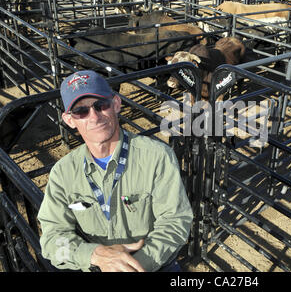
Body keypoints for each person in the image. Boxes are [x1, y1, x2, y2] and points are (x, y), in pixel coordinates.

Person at [37, 70, 194, 272]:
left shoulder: (157, 157)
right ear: (69, 120)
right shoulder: (63, 173)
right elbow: (52, 239)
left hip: (152, 264)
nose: (94, 116)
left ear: (116, 104)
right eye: (81, 111)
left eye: (100, 105)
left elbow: (175, 221)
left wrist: (133, 266)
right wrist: (93, 255)